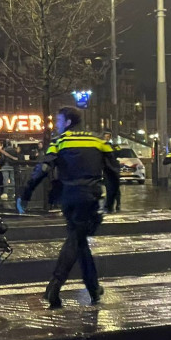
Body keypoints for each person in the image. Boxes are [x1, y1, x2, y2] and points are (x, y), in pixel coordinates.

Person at [18, 107, 120, 308]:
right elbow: (113, 173)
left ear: (67, 122)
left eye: (58, 120)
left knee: (78, 240)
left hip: (68, 198)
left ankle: (93, 288)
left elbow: (43, 168)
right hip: (89, 197)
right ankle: (54, 286)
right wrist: (110, 202)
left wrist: (25, 195)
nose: (55, 124)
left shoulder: (59, 142)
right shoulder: (99, 141)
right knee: (77, 239)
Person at [102, 131, 121, 212]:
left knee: (116, 188)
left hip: (114, 169)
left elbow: (119, 152)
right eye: (106, 136)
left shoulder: (112, 146)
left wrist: (115, 146)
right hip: (107, 170)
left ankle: (117, 204)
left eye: (108, 136)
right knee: (109, 188)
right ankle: (110, 205)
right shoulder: (102, 146)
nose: (107, 138)